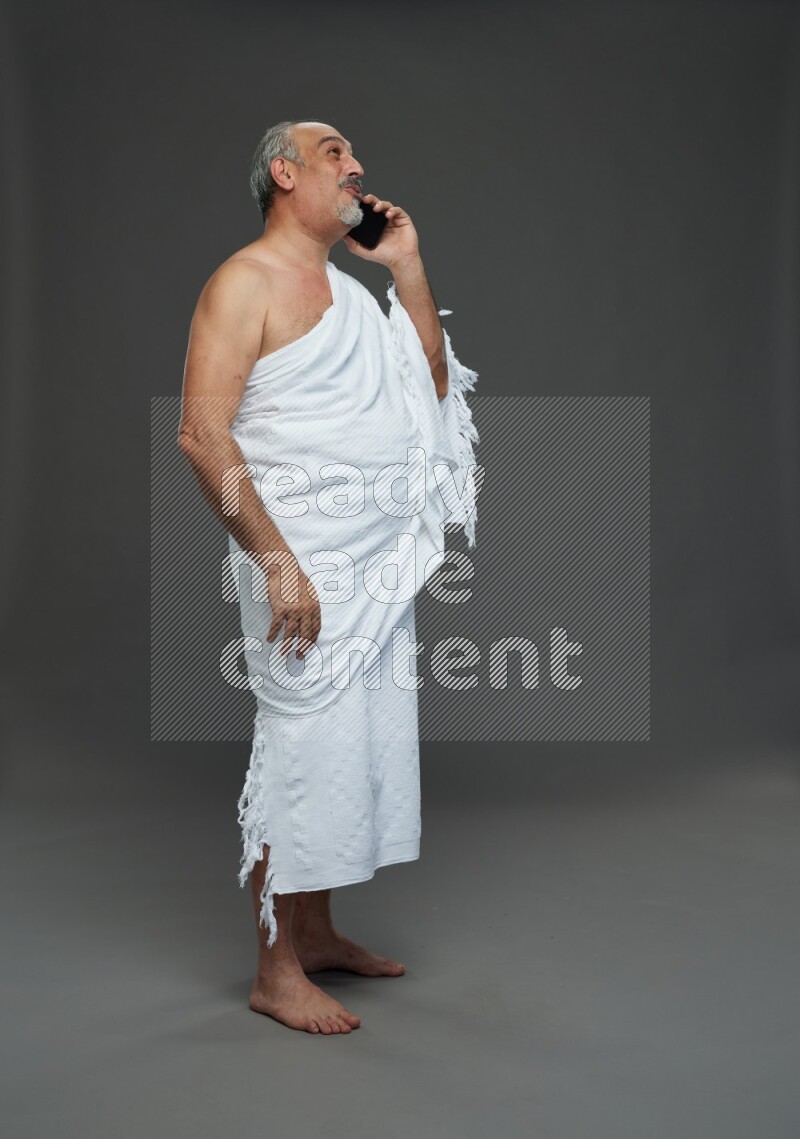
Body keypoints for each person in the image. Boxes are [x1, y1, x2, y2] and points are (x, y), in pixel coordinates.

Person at [178, 120, 479, 1035]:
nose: (357, 169)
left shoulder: (354, 292)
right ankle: (274, 966)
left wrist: (409, 268)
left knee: (358, 744)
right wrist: (276, 561)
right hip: (298, 559)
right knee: (303, 745)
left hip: (373, 560)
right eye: (336, 154)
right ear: (284, 172)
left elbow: (431, 386)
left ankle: (316, 932)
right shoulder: (243, 282)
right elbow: (203, 435)